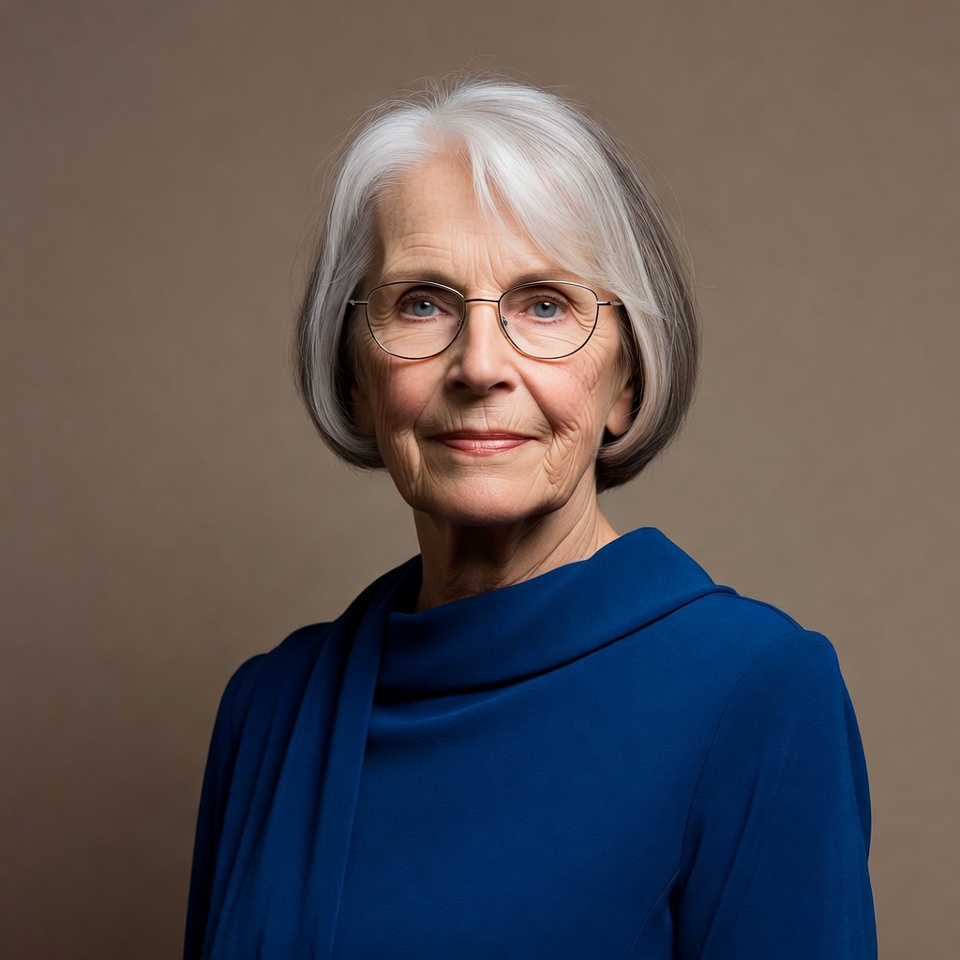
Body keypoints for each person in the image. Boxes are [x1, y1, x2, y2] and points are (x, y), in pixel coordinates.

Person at [184, 77, 876, 959]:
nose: (480, 366)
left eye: (544, 304)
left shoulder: (760, 692)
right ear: (356, 376)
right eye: (422, 302)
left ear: (627, 381)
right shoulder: (268, 709)